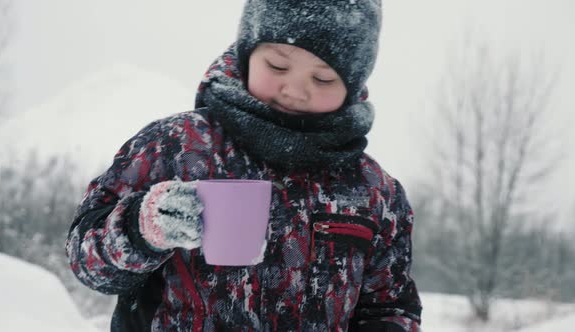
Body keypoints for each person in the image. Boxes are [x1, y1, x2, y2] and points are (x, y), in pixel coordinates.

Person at [66, 0, 422, 331]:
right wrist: (142, 228)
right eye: (278, 65)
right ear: (247, 54)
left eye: (324, 78)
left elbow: (390, 308)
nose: (295, 90)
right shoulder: (175, 147)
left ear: (353, 84)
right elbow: (89, 263)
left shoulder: (374, 192)